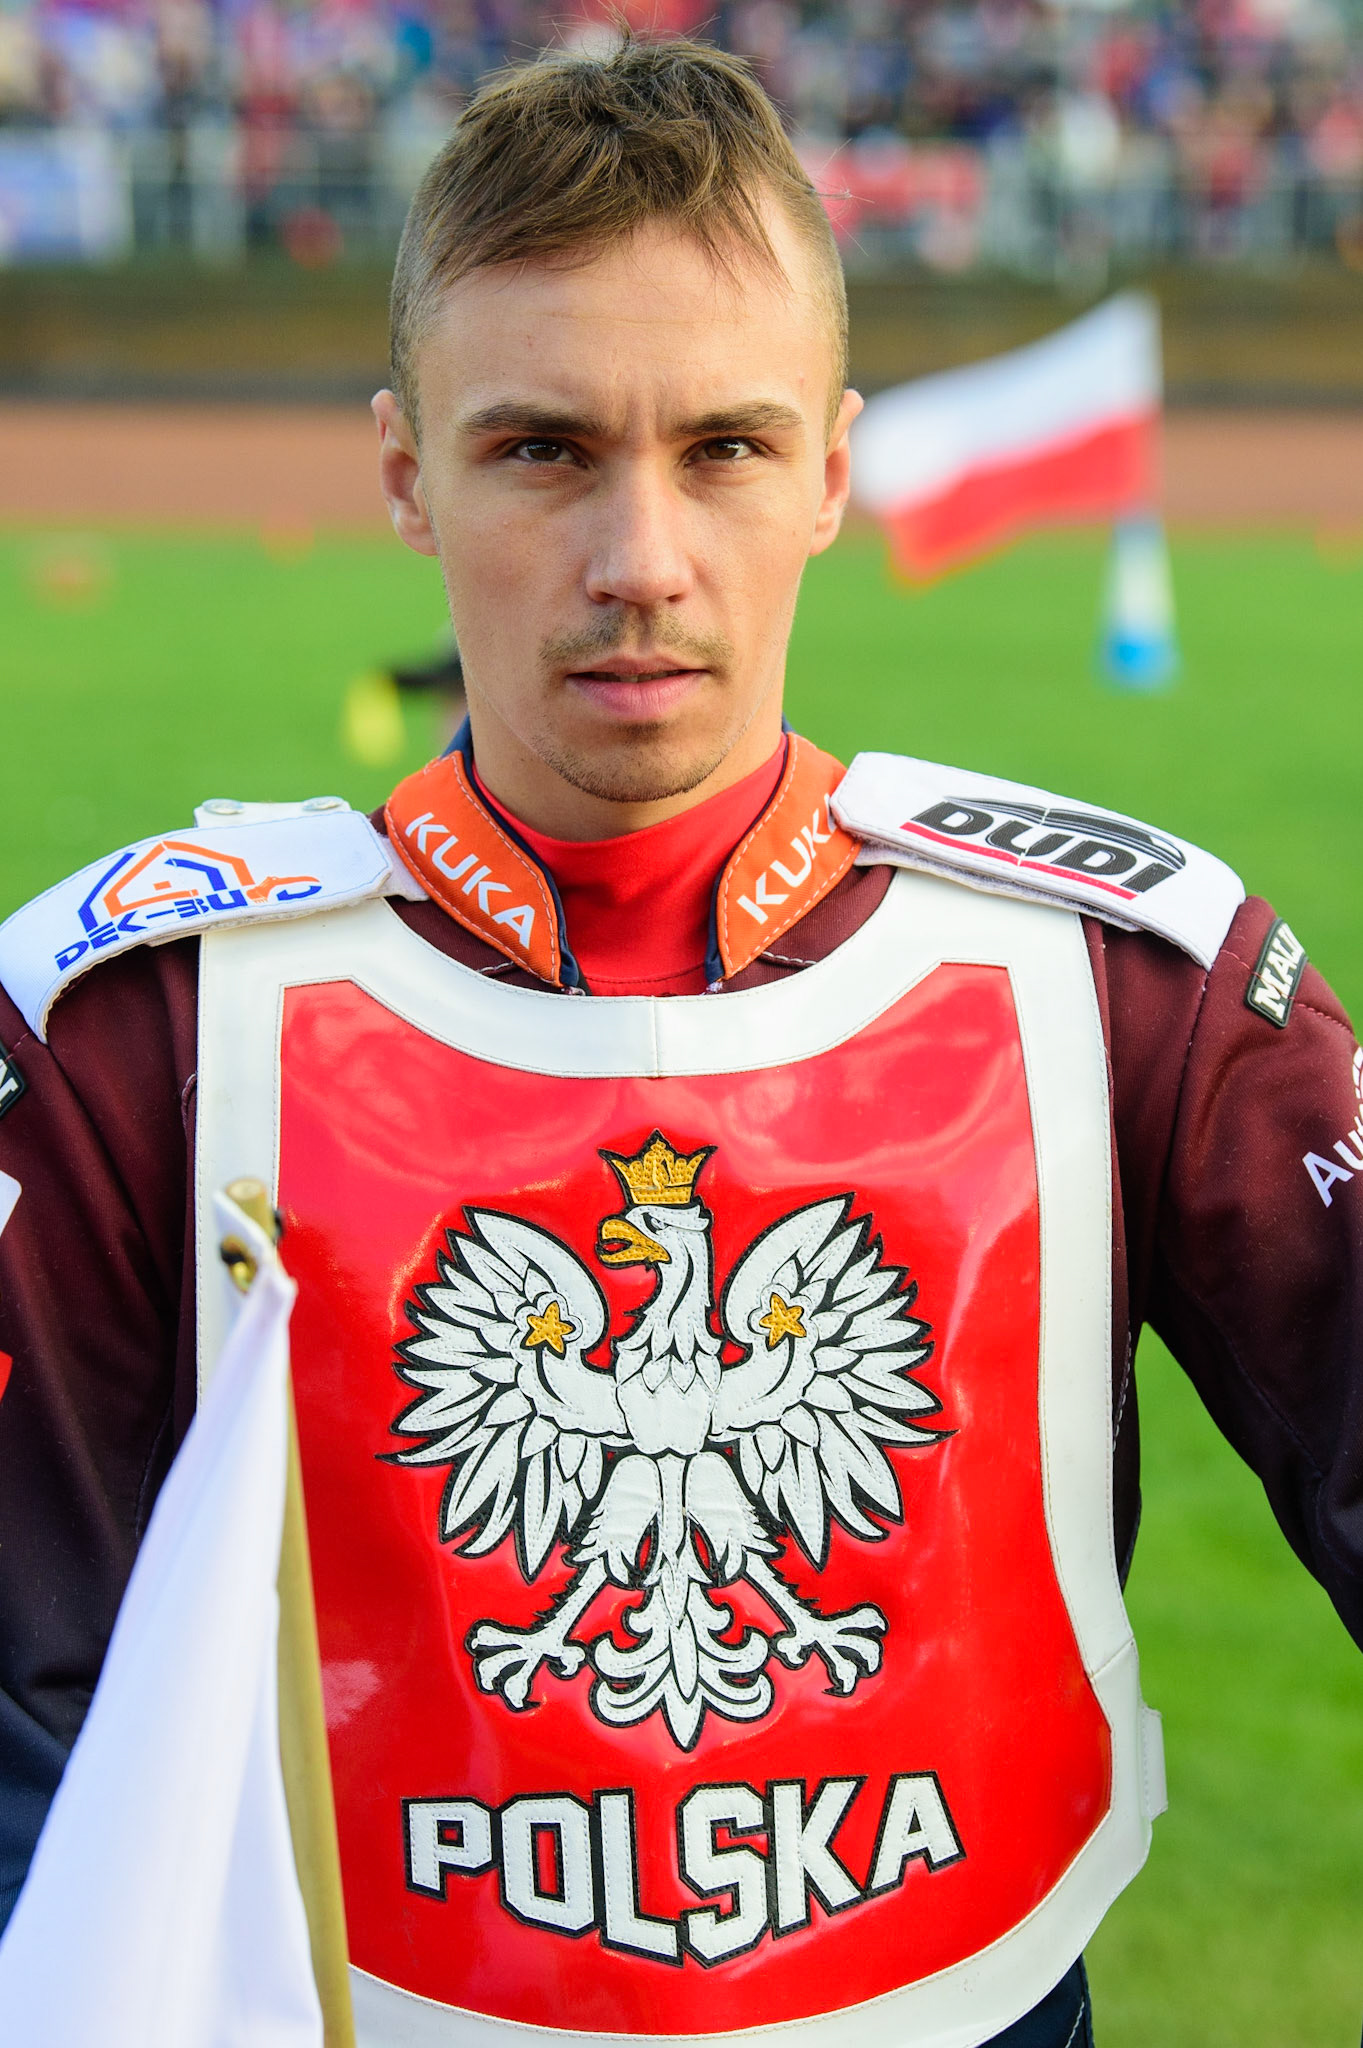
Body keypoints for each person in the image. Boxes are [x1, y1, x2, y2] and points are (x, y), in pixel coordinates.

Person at [0, 35, 1360, 2048]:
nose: (639, 559)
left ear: (829, 469)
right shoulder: (133, 1030)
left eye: (720, 448)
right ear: (405, 472)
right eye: (543, 448)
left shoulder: (1123, 975)